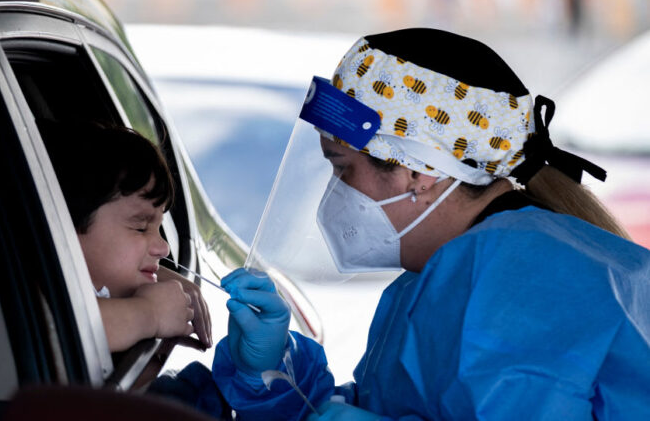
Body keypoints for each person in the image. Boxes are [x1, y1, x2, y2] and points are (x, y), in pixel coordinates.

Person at [211, 29, 650, 420]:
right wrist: (271, 370)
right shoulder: (446, 274)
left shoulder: (526, 279)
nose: (334, 193)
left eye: (342, 169)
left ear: (419, 172)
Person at [40, 120, 211, 352]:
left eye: (159, 228)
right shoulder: (34, 296)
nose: (164, 248)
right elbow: (60, 328)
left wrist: (162, 277)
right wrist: (150, 313)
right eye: (140, 227)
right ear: (64, 227)